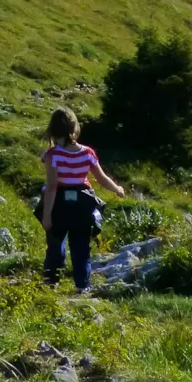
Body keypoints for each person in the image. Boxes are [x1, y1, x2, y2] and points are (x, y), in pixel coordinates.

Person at [40, 106, 124, 294]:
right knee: (81, 248)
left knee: (55, 244)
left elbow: (52, 187)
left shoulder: (52, 155)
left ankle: (51, 283)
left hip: (59, 205)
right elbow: (101, 178)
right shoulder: (87, 153)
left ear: (53, 131)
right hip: (82, 206)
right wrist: (117, 189)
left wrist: (46, 216)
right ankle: (82, 287)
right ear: (75, 129)